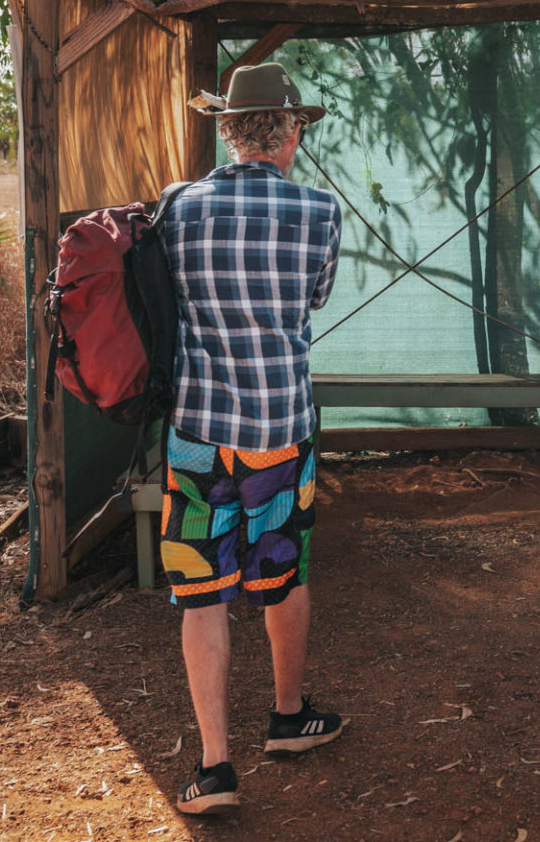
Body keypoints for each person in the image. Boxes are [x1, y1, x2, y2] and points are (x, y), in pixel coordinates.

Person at [158, 61, 345, 815]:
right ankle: (289, 715)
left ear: (230, 129)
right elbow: (314, 299)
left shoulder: (178, 207)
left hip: (199, 437)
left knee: (202, 594)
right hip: (278, 434)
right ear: (291, 130)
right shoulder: (319, 213)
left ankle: (214, 768)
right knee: (283, 572)